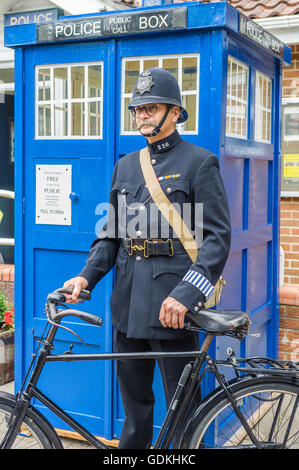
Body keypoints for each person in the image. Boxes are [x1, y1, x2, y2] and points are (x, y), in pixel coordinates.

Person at [63, 68, 231, 449]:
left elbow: (216, 241)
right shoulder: (126, 165)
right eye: (137, 109)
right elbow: (111, 235)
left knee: (184, 408)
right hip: (127, 306)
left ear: (175, 112)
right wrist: (86, 277)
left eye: (151, 108)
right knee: (135, 409)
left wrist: (186, 296)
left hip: (172, 307)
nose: (142, 116)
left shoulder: (199, 162)